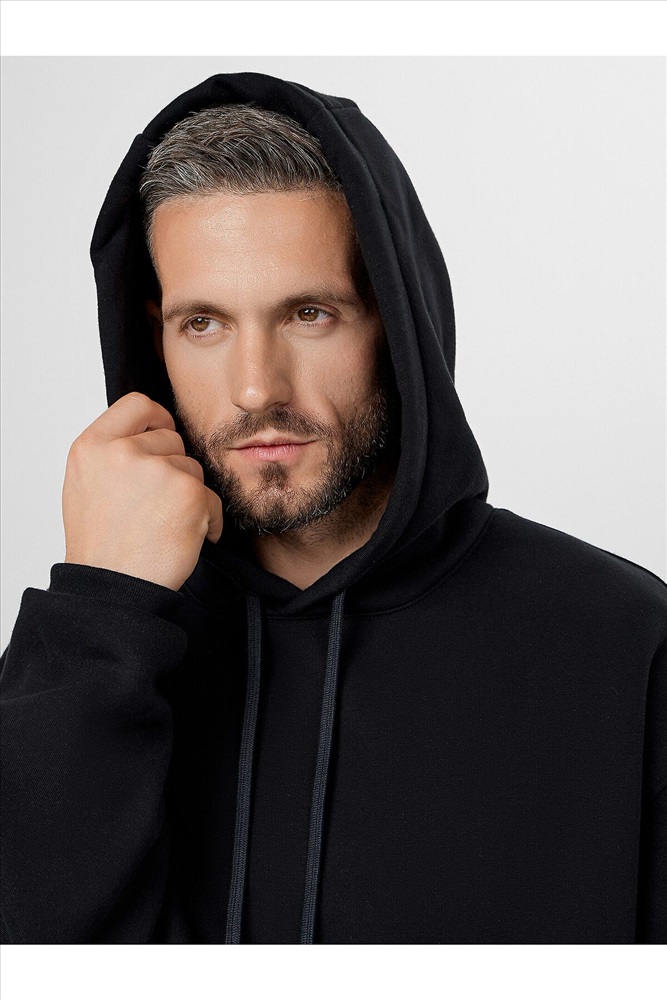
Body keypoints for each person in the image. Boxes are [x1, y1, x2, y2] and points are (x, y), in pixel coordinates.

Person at [0, 71, 665, 945]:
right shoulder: (97, 649)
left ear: (396, 324)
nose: (255, 388)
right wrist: (99, 609)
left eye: (308, 313)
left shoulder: (622, 642)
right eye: (203, 324)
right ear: (154, 337)